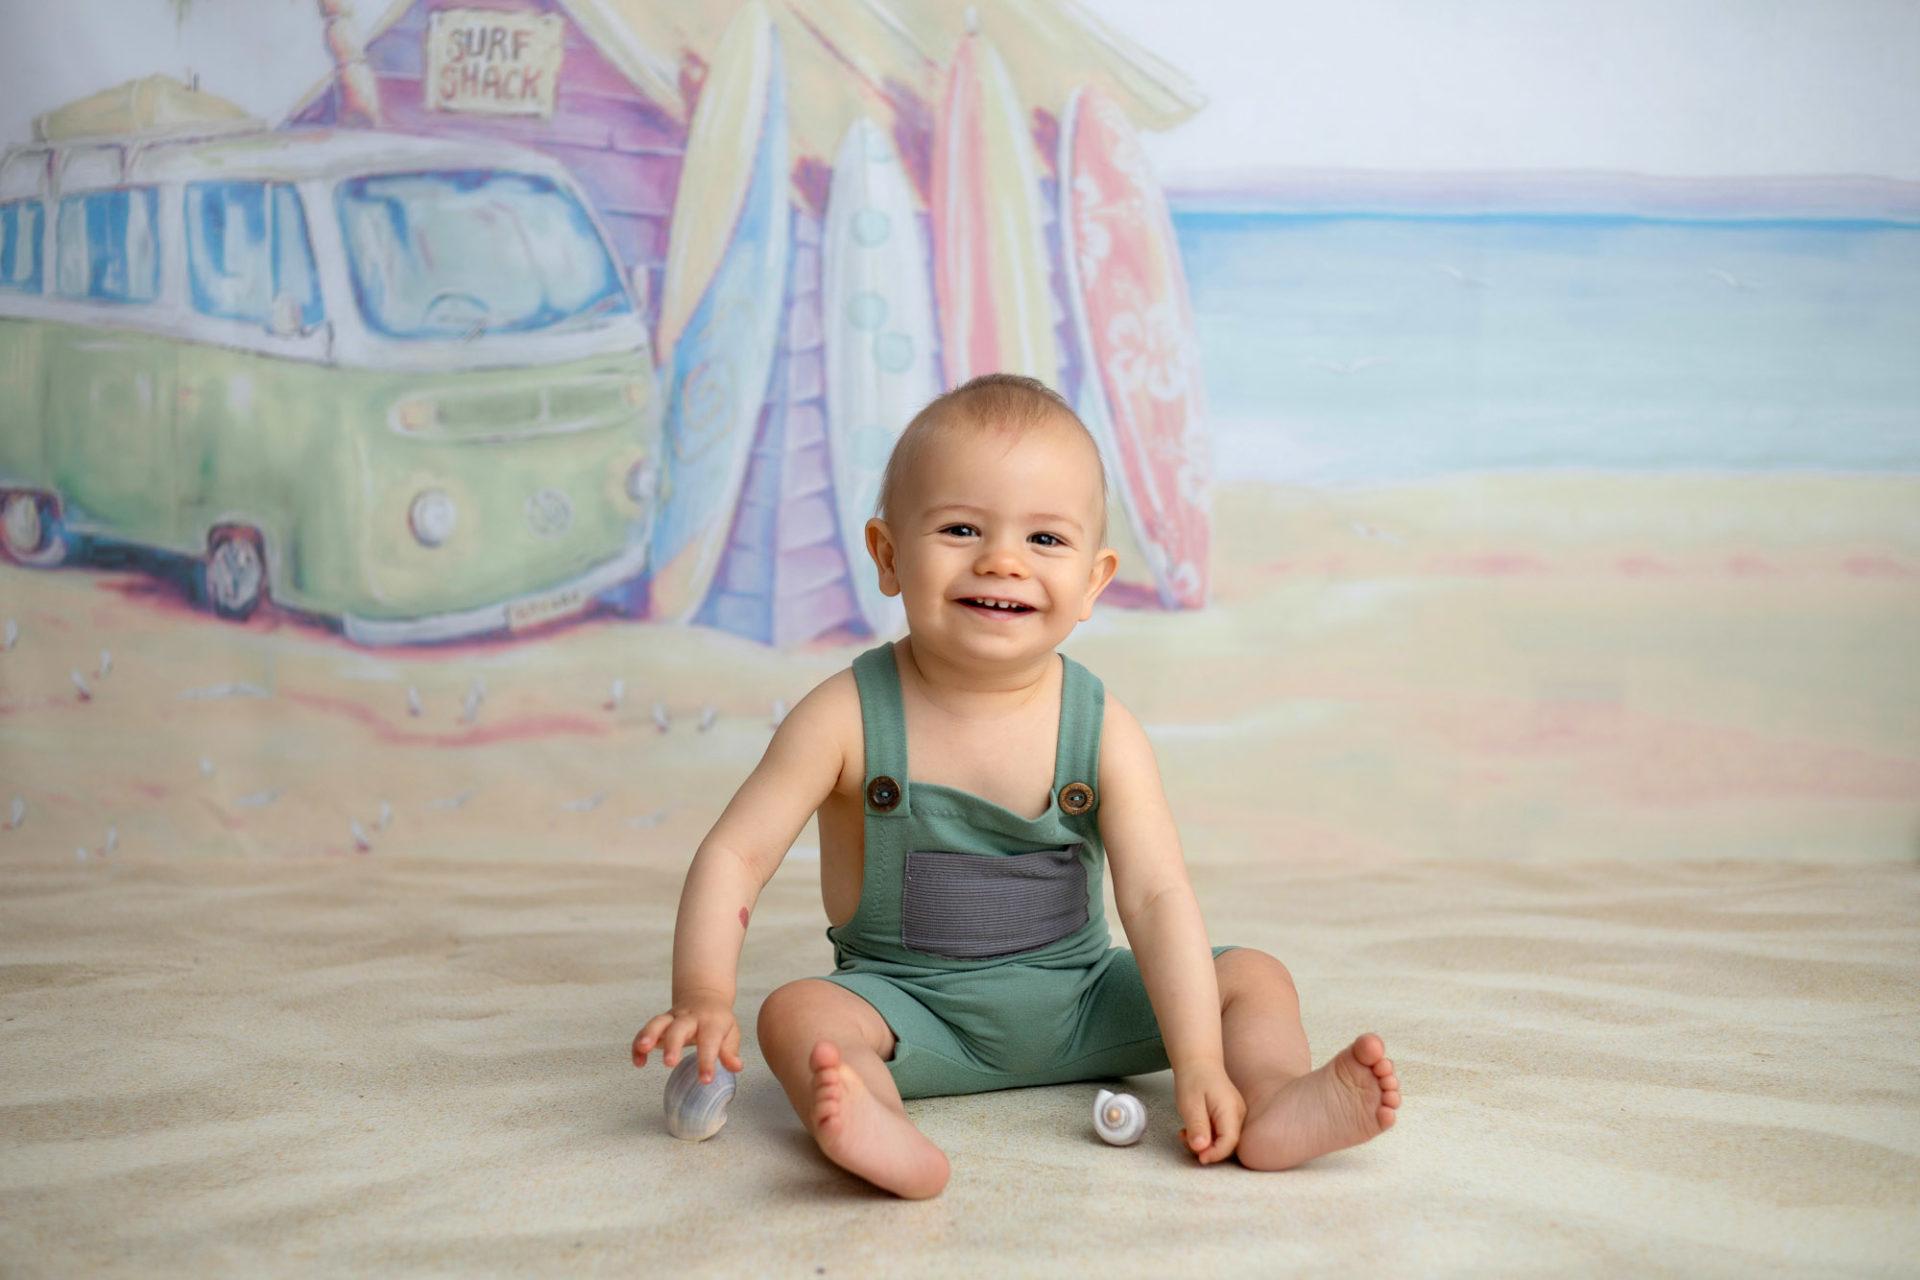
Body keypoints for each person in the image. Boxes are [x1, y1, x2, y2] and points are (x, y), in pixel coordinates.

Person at [631, 373, 1400, 1198]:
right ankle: (877, 1121)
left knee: (1254, 978)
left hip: (1082, 1003)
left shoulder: (1100, 729)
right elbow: (736, 855)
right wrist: (705, 993)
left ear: (1095, 583)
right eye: (961, 528)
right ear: (889, 556)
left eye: (1045, 540)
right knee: (796, 1013)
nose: (1002, 560)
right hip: (909, 1010)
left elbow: (1155, 899)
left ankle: (1275, 1096)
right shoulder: (845, 718)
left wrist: (1199, 1059)